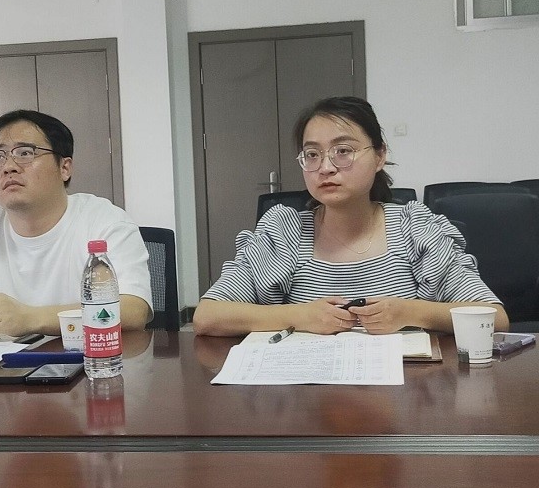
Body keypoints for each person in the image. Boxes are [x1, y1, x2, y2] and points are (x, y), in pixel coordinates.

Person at [193, 96, 509, 336]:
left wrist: (410, 313)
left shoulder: (414, 228)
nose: (325, 167)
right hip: (305, 394)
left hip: (403, 393)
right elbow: (207, 316)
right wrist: (298, 316)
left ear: (379, 156)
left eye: (343, 151)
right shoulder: (284, 231)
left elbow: (495, 318)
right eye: (312, 154)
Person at [0, 109, 152, 337]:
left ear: (64, 168)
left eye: (25, 153)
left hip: (86, 365)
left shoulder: (104, 221)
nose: (8, 167)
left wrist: (30, 318)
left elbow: (133, 309)